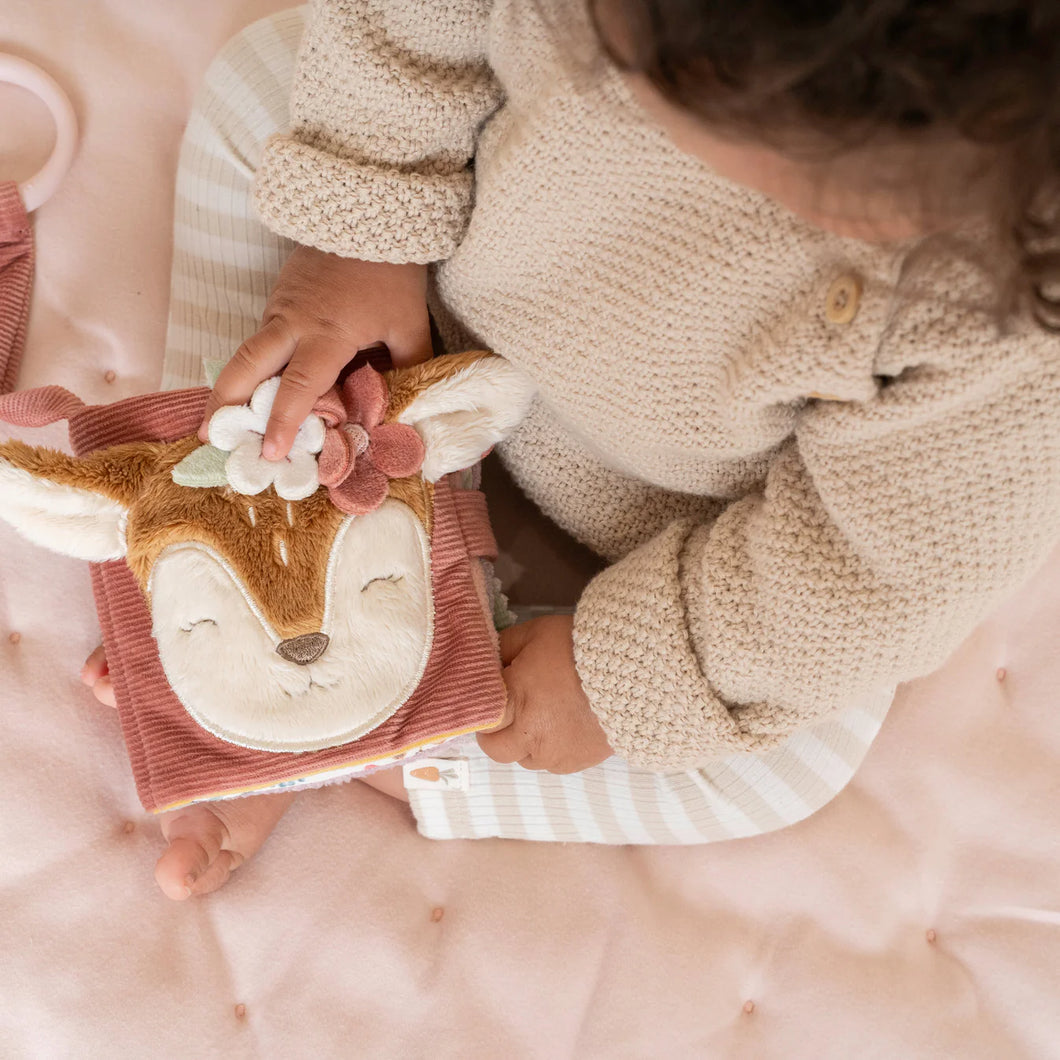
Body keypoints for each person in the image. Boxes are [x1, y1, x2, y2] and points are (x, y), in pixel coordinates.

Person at [83, 0, 1060, 899]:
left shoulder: (1014, 322)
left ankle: (355, 730)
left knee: (791, 753)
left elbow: (872, 570)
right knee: (261, 78)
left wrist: (617, 677)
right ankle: (222, 525)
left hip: (677, 526)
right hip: (412, 297)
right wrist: (357, 237)